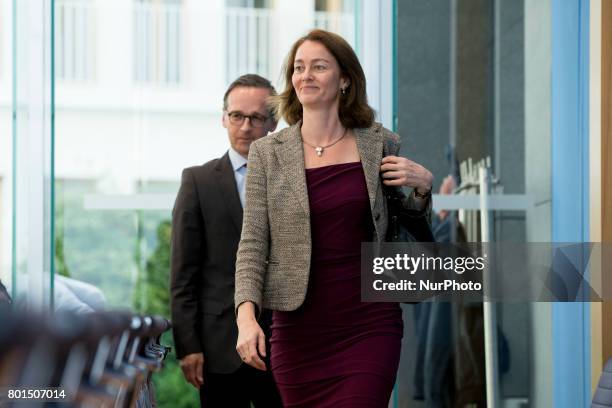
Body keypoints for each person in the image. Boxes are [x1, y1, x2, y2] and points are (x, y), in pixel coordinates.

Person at [234, 29, 433, 407]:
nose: (305, 75)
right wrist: (246, 317)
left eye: (319, 66)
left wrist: (422, 190)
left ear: (344, 79)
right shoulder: (267, 153)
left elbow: (399, 224)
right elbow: (253, 242)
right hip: (298, 332)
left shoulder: (381, 143)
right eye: (299, 67)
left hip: (369, 322)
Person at [170, 74, 282, 407]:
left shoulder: (293, 180)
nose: (245, 126)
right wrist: (188, 345)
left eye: (256, 117)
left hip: (283, 343)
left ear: (273, 122)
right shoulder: (198, 181)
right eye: (237, 116)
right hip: (218, 347)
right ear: (224, 118)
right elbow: (183, 275)